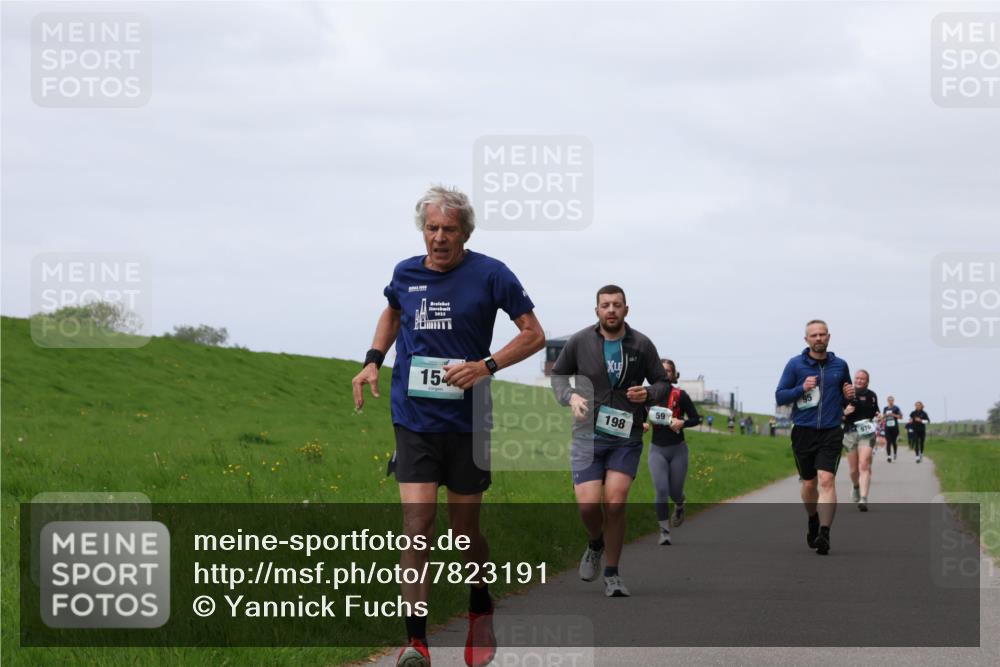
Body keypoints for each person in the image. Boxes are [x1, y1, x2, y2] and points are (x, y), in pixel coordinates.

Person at [351, 186, 545, 667]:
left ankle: (480, 604)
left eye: (449, 230)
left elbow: (534, 335)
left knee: (465, 533)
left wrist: (486, 366)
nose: (439, 238)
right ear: (423, 229)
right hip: (414, 420)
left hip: (468, 422)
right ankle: (416, 642)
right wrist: (373, 360)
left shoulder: (491, 274)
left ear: (465, 233)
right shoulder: (406, 272)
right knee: (417, 528)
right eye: (432, 228)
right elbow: (393, 312)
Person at [551, 285, 668, 597]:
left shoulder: (642, 344)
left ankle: (613, 574)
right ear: (597, 311)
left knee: (615, 502)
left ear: (626, 310)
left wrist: (649, 393)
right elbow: (559, 375)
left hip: (625, 435)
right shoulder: (579, 341)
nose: (611, 310)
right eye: (605, 305)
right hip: (586, 433)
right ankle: (595, 542)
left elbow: (663, 382)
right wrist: (570, 396)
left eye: (617, 305)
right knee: (589, 505)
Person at [775, 320, 854, 555]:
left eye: (822, 334)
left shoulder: (840, 366)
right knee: (809, 483)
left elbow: (846, 399)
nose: (818, 338)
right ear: (806, 340)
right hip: (803, 431)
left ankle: (825, 533)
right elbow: (780, 396)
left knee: (827, 480)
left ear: (829, 337)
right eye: (814, 335)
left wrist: (849, 395)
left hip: (831, 430)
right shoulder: (795, 365)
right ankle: (813, 518)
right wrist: (801, 388)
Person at [647, 358, 702, 545]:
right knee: (661, 489)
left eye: (668, 371)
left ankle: (679, 504)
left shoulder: (680, 395)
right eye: (661, 371)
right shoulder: (649, 395)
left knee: (675, 491)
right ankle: (664, 532)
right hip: (657, 450)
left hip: (678, 449)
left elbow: (697, 418)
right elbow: (636, 413)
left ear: (673, 375)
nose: (664, 374)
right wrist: (642, 423)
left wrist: (683, 423)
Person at [841, 370, 880, 512]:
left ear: (867, 381)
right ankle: (856, 487)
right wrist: (844, 413)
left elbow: (875, 411)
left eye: (862, 379)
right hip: (850, 433)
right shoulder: (845, 394)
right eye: (857, 378)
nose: (859, 380)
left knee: (864, 465)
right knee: (853, 470)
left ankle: (864, 498)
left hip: (867, 433)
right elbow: (836, 415)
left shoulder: (872, 395)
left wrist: (878, 415)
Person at [882, 396, 904, 462]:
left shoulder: (896, 408)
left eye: (891, 400)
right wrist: (885, 415)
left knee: (894, 442)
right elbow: (883, 417)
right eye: (889, 400)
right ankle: (889, 456)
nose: (890, 401)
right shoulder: (885, 408)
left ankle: (895, 453)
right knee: (888, 442)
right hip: (887, 427)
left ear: (893, 401)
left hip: (895, 427)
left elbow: (901, 417)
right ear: (887, 401)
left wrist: (893, 415)